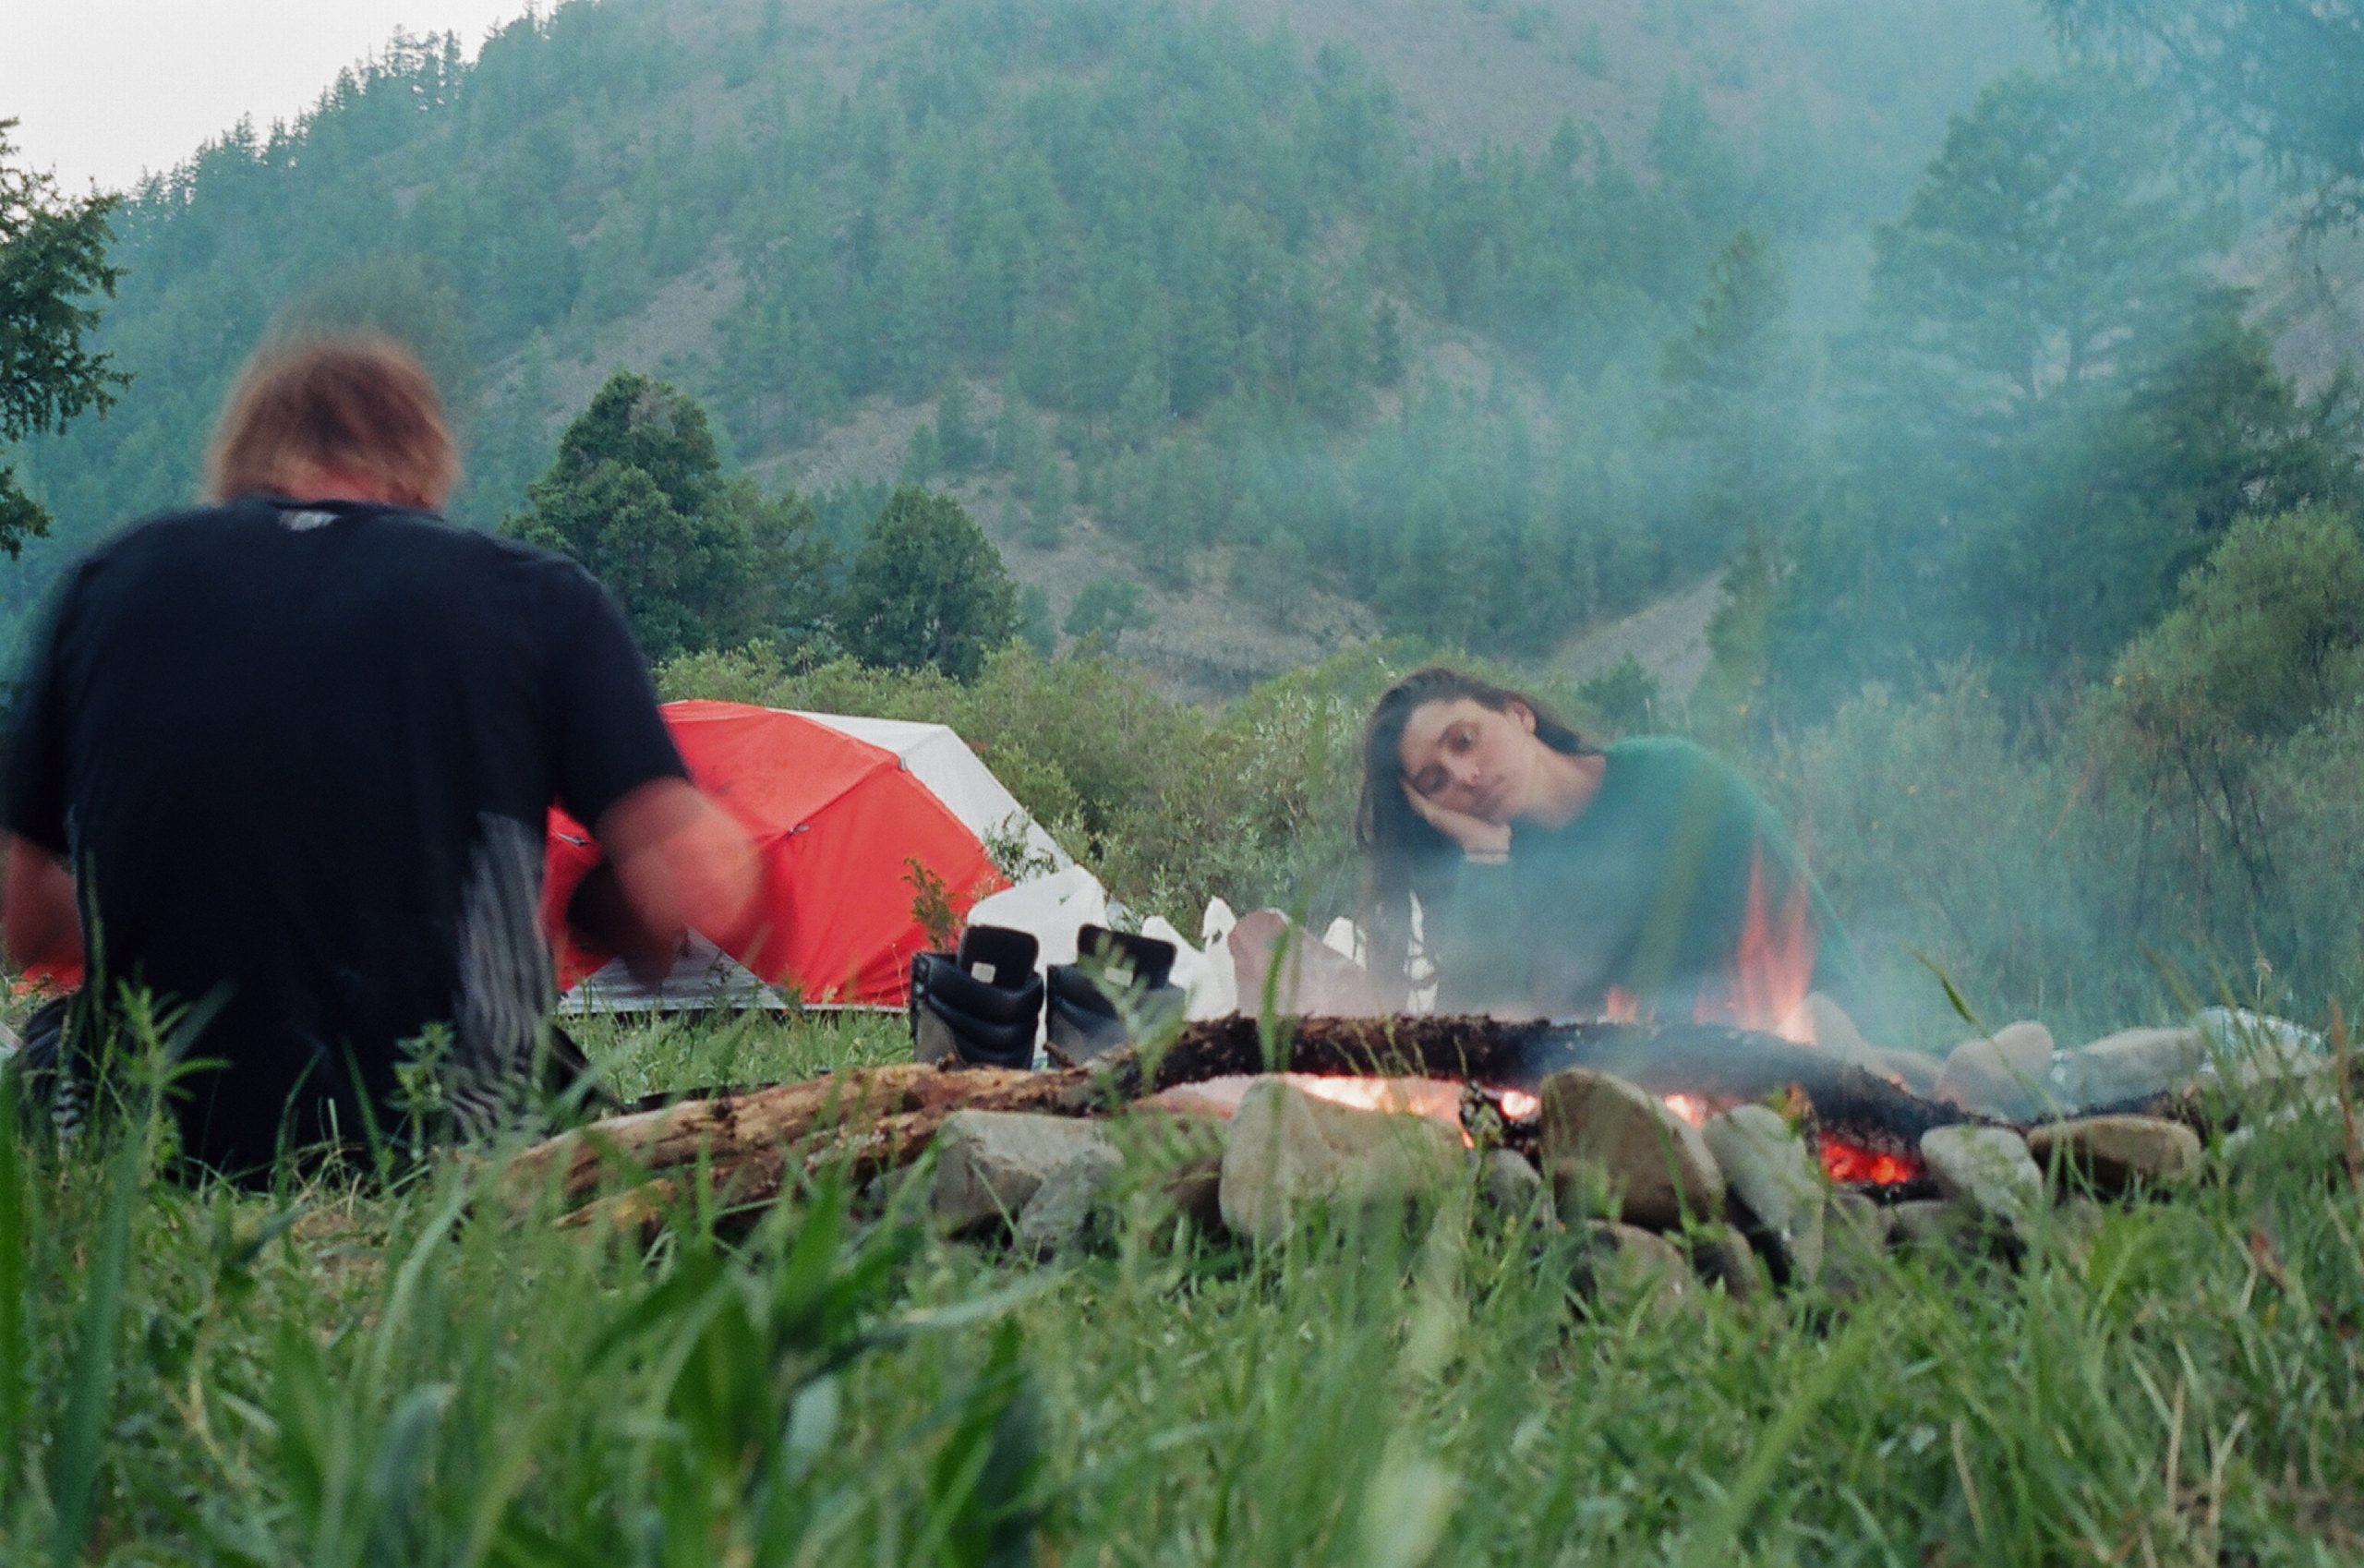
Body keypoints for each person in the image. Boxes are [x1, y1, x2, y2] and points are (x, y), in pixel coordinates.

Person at [0, 333, 756, 1177]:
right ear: (422, 464)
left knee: (46, 1051)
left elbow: (22, 914)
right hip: (447, 1146)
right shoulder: (533, 600)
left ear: (243, 458)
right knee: (563, 1085)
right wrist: (598, 906)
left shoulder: (106, 585)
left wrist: (165, 886)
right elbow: (695, 879)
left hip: (150, 1147)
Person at [1355, 666, 1870, 1031]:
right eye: (1435, 782)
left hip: (1778, 1074)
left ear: (1519, 715)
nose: (1466, 776)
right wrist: (1486, 856)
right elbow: (1471, 1045)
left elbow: (1806, 937)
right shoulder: (1490, 877)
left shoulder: (1674, 780)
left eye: (1465, 740)